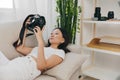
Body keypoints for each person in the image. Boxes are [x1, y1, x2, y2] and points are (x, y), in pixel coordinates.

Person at [0, 14, 70, 80]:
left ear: (62, 40)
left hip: (23, 70)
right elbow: (19, 48)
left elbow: (41, 66)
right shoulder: (41, 48)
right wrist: (25, 28)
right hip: (13, 63)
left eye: (56, 34)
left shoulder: (60, 52)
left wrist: (40, 40)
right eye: (51, 33)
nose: (52, 35)